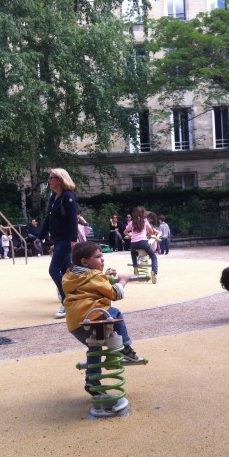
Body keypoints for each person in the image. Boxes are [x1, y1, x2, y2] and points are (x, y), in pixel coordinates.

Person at [63, 241, 140, 395]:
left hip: (76, 325)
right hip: (94, 317)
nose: (102, 259)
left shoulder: (70, 276)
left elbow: (89, 281)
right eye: (98, 257)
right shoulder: (95, 275)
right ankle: (125, 346)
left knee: (95, 347)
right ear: (85, 261)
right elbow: (114, 294)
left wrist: (104, 276)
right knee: (115, 312)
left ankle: (92, 381)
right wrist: (123, 281)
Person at [34, 168, 79, 319]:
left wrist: (73, 240)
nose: (49, 180)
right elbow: (48, 219)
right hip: (58, 239)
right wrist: (40, 236)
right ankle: (75, 297)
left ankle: (67, 301)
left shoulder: (68, 197)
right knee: (67, 272)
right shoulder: (54, 197)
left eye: (51, 177)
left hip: (66, 240)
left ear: (59, 180)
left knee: (54, 270)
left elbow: (73, 219)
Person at [124, 206, 160, 284]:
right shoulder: (145, 221)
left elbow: (125, 232)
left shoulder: (132, 222)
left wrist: (131, 235)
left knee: (133, 253)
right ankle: (154, 272)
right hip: (143, 242)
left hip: (133, 243)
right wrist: (149, 236)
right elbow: (150, 230)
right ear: (143, 214)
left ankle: (135, 266)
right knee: (153, 257)